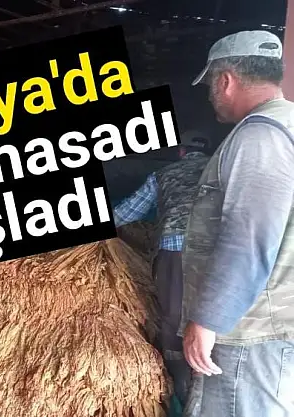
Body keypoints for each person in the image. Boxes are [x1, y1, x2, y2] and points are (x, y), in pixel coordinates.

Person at [179, 30, 294, 417]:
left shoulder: (260, 136)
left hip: (250, 330)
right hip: (276, 321)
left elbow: (248, 237)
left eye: (211, 84)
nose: (210, 95)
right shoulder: (287, 124)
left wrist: (208, 319)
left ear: (225, 80)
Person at [112, 130, 212, 407]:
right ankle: (209, 381)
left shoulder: (164, 174)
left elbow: (126, 212)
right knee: (213, 313)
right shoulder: (223, 168)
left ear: (180, 152)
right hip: (216, 249)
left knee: (173, 316)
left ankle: (182, 386)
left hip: (174, 251)